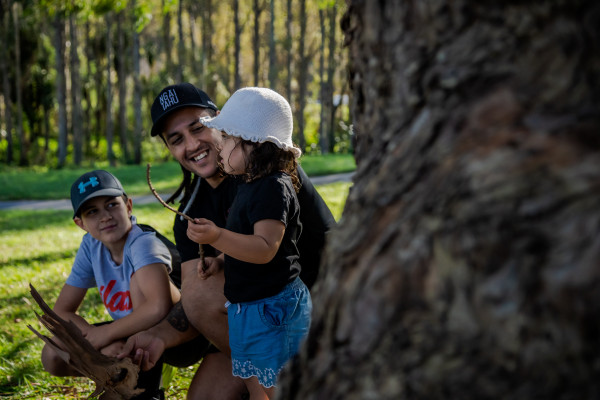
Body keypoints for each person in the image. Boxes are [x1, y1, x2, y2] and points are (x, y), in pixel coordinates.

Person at [118, 83, 335, 399]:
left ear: (222, 121)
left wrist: (219, 239)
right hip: (255, 318)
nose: (192, 144)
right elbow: (199, 301)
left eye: (199, 127)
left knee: (203, 294)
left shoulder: (269, 170)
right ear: (169, 149)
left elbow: (266, 250)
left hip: (318, 306)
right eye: (177, 139)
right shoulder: (190, 212)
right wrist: (158, 336)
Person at [187, 87, 312, 399]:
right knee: (256, 382)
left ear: (255, 144)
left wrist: (217, 236)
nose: (220, 147)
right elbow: (245, 241)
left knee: (277, 386)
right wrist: (221, 259)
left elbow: (265, 248)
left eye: (227, 139)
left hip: (273, 308)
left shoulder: (273, 188)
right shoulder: (249, 185)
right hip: (249, 306)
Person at [41, 170, 181, 400]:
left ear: (128, 206)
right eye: (92, 212)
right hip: (130, 329)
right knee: (53, 354)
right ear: (81, 223)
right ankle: (116, 375)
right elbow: (62, 311)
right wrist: (97, 336)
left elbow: (158, 306)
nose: (105, 216)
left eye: (111, 205)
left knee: (138, 282)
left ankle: (148, 389)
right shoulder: (91, 246)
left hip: (174, 328)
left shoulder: (142, 242)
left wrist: (106, 335)